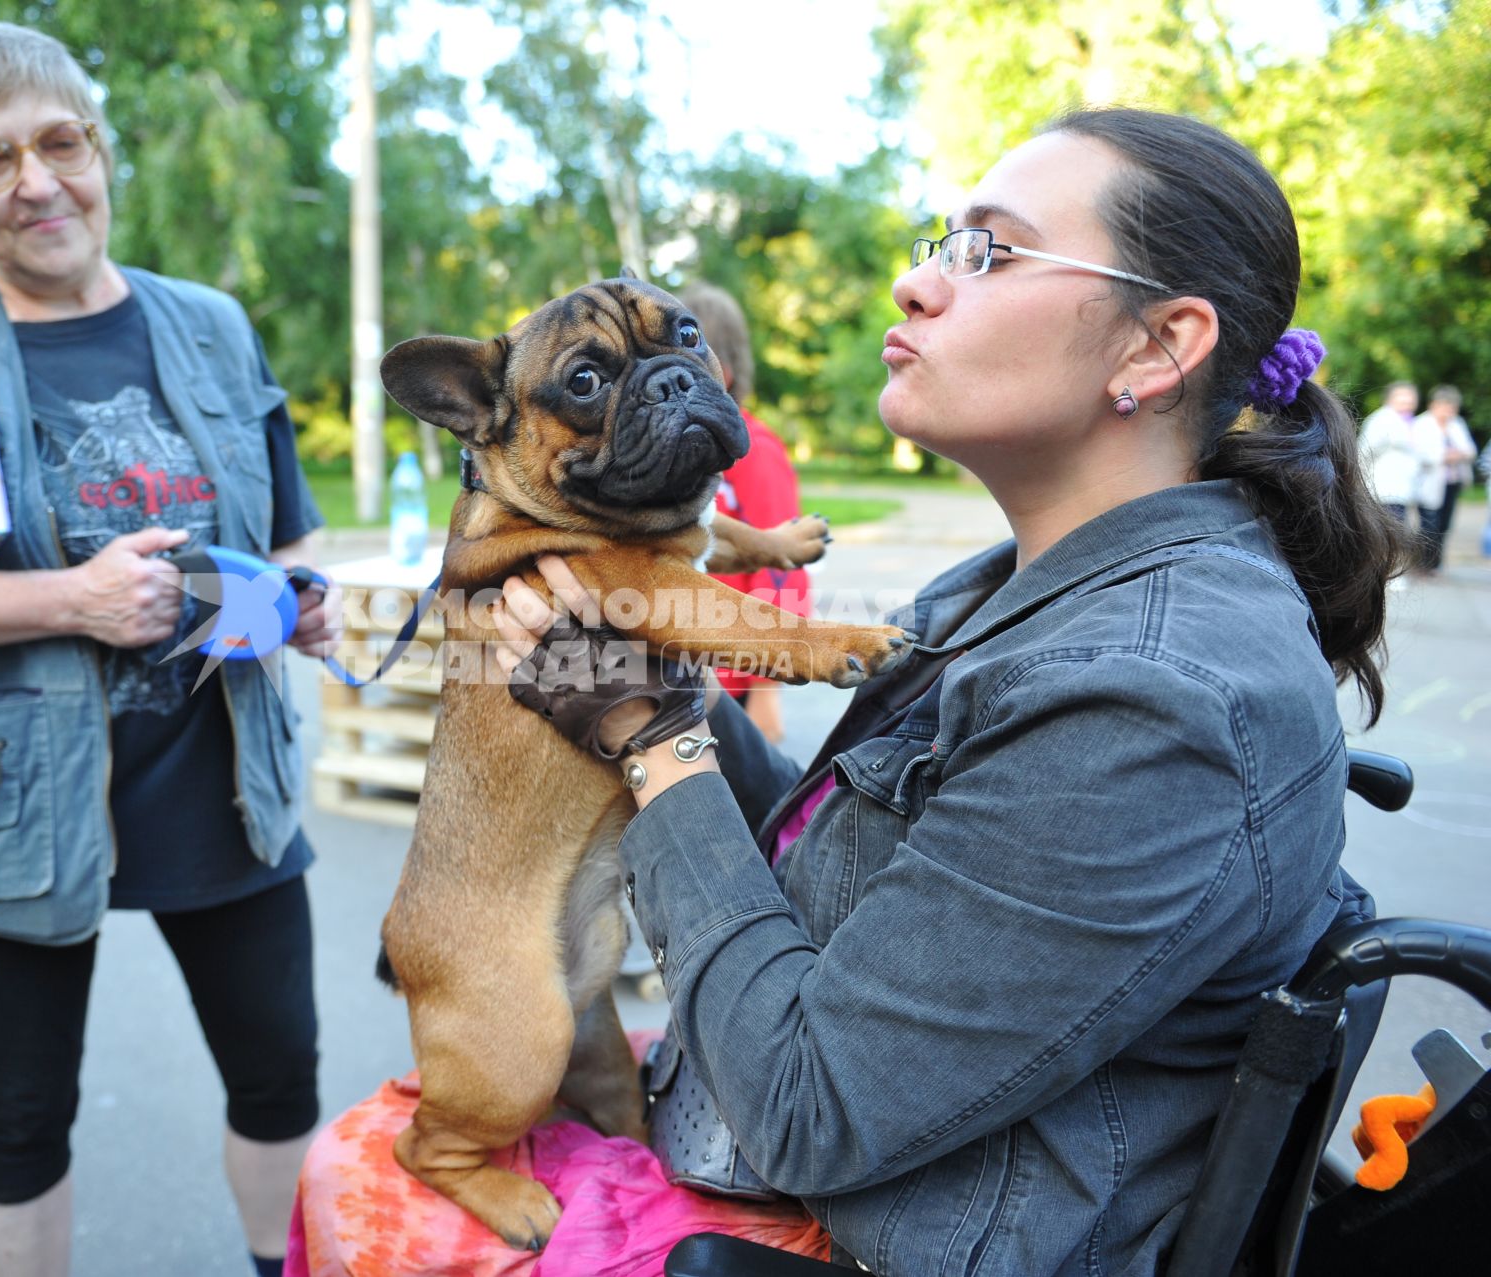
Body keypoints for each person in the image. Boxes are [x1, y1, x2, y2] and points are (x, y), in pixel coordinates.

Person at [294, 109, 1404, 1277]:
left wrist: (643, 730)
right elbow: (826, 845)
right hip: (745, 1125)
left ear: (1155, 347)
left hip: (873, 1234)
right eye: (941, 239)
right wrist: (629, 684)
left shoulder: (1148, 702)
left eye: (989, 251)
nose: (917, 281)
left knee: (355, 1178)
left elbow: (810, 1109)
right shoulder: (1016, 588)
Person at [0, 23, 338, 1277]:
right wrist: (70, 599)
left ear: (101, 154)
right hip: (5, 801)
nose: (36, 180)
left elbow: (290, 520)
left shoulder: (209, 322)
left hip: (224, 779)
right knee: (25, 1106)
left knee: (280, 1068)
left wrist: (304, 598)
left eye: (60, 142)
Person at [676, 280, 813, 746]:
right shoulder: (671, 456)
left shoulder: (755, 451)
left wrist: (767, 688)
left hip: (731, 685)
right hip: (676, 671)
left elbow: (782, 571)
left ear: (723, 372)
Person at [1412, 386, 1476, 571]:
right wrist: (1444, 456)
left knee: (1445, 523)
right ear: (1434, 405)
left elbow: (1470, 450)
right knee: (1430, 523)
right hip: (1429, 481)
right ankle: (1423, 563)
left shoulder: (1457, 424)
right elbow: (1419, 453)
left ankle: (1435, 564)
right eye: (1445, 407)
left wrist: (1458, 454)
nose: (1448, 412)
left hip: (1452, 481)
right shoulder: (1421, 424)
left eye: (1452, 408)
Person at [1358, 380, 1423, 524]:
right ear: (1389, 399)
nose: (1407, 403)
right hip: (1384, 491)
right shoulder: (1381, 420)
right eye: (1402, 398)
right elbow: (1364, 453)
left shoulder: (1408, 422)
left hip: (1400, 490)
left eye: (1410, 399)